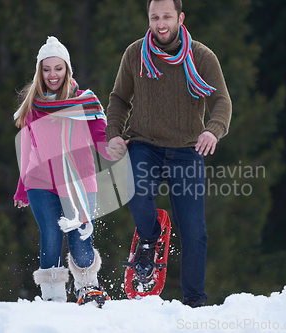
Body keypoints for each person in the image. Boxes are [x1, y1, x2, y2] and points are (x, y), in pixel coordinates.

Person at [105, 0, 232, 307]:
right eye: (154, 17)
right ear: (148, 19)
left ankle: (194, 302)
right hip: (144, 143)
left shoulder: (202, 57)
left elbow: (222, 102)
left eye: (166, 17)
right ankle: (149, 239)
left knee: (194, 232)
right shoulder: (135, 54)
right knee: (134, 187)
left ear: (180, 18)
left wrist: (211, 130)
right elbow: (120, 99)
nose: (160, 23)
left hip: (187, 149)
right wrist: (113, 135)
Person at [13, 36, 112, 307]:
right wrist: (22, 187)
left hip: (79, 180)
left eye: (58, 68)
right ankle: (53, 298)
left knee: (80, 242)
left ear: (67, 69)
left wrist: (117, 148)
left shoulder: (85, 102)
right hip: (40, 180)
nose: (52, 75)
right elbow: (27, 148)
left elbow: (101, 139)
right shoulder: (32, 107)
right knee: (51, 234)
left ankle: (87, 284)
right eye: (46, 69)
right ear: (39, 72)